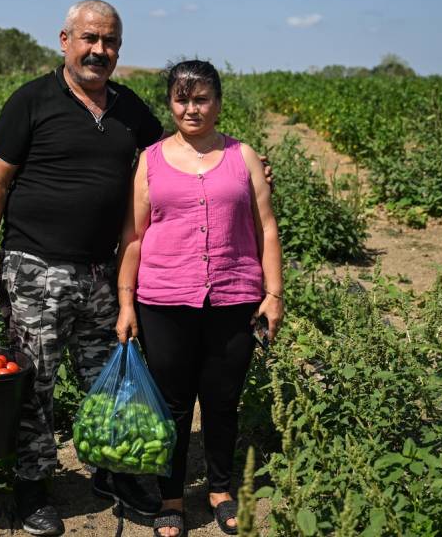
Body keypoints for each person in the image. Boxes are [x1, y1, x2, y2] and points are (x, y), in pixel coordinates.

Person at [0, 0, 164, 536]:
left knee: (110, 377)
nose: (100, 51)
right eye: (90, 39)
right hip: (35, 268)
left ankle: (112, 469)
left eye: (111, 42)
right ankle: (32, 489)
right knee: (35, 384)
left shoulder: (130, 109)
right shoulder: (31, 101)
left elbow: (173, 156)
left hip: (102, 272)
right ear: (65, 40)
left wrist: (239, 159)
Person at [116, 60, 284, 537]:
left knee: (222, 399)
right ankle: (171, 497)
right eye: (182, 98)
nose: (192, 108)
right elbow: (132, 236)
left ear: (218, 102)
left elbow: (266, 227)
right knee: (171, 403)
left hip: (235, 297)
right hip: (163, 300)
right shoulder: (150, 160)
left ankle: (220, 490)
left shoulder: (243, 156)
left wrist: (274, 293)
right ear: (170, 103)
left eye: (202, 98)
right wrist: (126, 303)